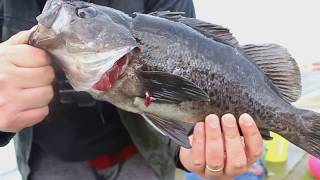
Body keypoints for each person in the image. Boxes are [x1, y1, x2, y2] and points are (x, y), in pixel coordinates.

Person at [0, 0, 264, 180]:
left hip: (144, 153)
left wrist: (191, 147)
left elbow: (195, 71)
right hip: (50, 159)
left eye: (83, 14)